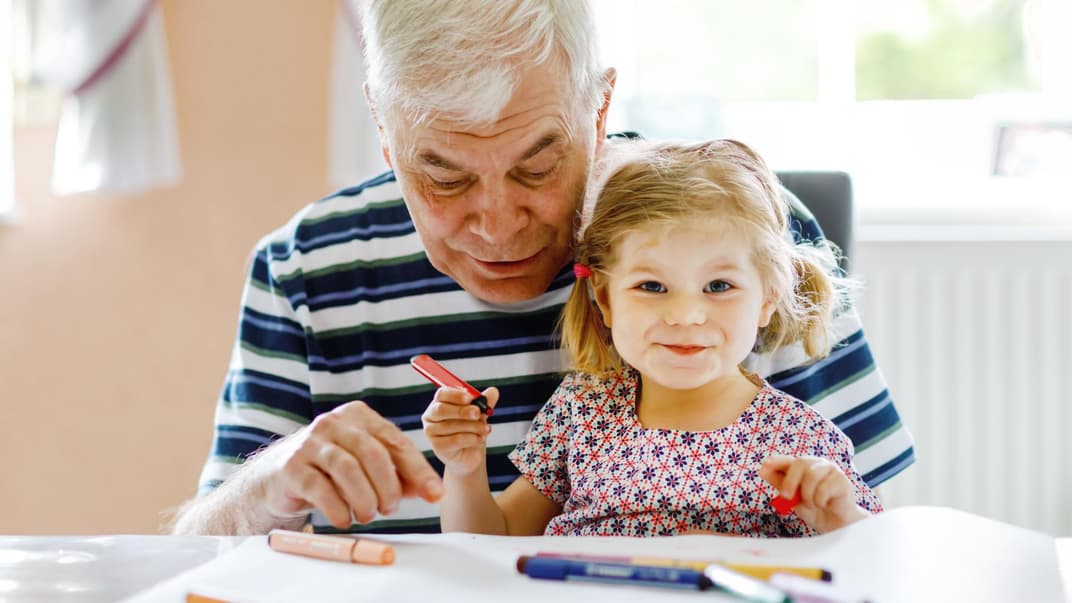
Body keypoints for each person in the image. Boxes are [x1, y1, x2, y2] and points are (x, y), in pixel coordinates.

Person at [171, 0, 913, 536]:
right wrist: (266, 483)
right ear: (384, 130)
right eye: (445, 174)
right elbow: (196, 558)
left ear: (599, 106)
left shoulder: (739, 232)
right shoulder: (306, 269)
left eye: (538, 164)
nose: (497, 224)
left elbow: (884, 542)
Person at [424, 139, 882, 537]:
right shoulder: (584, 410)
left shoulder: (799, 439)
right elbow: (489, 540)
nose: (684, 315)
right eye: (652, 287)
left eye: (719, 287)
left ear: (767, 300)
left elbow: (872, 559)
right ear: (604, 298)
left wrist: (841, 520)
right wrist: (465, 470)